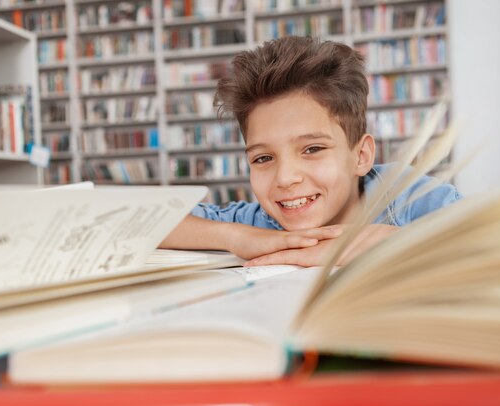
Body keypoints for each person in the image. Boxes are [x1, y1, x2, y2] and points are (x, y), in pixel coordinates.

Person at [159, 36, 461, 266]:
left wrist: (396, 242)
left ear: (362, 155)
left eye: (312, 148)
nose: (286, 178)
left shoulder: (407, 196)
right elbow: (139, 225)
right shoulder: (260, 223)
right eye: (263, 158)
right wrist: (235, 237)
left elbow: (499, 239)